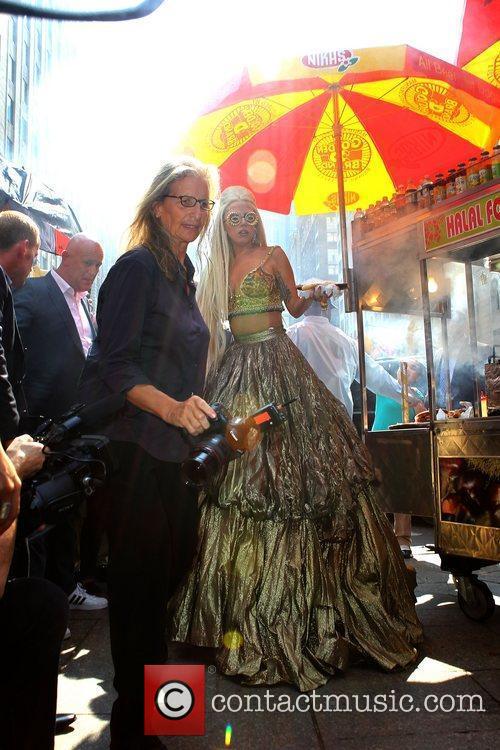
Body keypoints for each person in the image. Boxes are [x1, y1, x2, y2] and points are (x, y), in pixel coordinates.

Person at [169, 186, 423, 693]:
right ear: (223, 224)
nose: (242, 223)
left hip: (281, 367)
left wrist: (317, 292)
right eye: (234, 217)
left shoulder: (274, 255)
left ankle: (316, 613)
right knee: (238, 476)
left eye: (249, 216)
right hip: (236, 370)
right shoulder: (211, 267)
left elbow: (294, 303)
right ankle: (234, 617)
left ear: (257, 221)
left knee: (303, 473)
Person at [79, 156, 218, 750]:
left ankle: (152, 716)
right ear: (158, 205)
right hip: (133, 450)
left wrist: (213, 420)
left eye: (202, 204)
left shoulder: (183, 275)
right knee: (141, 589)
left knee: (172, 572)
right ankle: (138, 729)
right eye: (184, 201)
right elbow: (114, 367)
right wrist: (171, 408)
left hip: (174, 455)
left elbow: (182, 366)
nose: (195, 213)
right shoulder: (136, 269)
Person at [13, 233, 108, 612]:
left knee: (68, 508)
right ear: (66, 257)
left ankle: (63, 589)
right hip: (36, 423)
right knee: (37, 516)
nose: (92, 272)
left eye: (98, 265)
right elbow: (13, 353)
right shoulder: (34, 292)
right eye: (87, 263)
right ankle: (38, 602)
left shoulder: (86, 305)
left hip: (74, 424)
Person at [286, 294, 403, 419]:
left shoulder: (291, 335)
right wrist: (404, 395)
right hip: (340, 420)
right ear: (328, 310)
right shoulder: (346, 341)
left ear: (304, 310)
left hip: (303, 419)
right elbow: (376, 376)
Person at [372, 358, 428, 559]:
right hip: (378, 442)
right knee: (376, 490)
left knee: (402, 491)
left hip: (403, 445)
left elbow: (423, 419)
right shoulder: (384, 386)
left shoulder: (416, 395)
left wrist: (419, 407)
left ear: (417, 376)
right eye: (404, 365)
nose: (406, 369)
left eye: (413, 367)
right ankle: (375, 538)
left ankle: (403, 539)